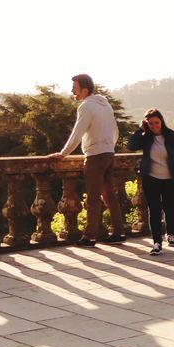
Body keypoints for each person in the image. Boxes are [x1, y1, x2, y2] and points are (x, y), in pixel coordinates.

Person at [49, 74, 124, 247]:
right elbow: (115, 131)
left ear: (85, 90)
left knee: (93, 198)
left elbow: (78, 132)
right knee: (109, 196)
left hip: (95, 156)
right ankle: (119, 232)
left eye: (75, 88)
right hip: (108, 154)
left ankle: (90, 237)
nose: (72, 92)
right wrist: (109, 147)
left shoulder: (86, 107)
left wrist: (63, 153)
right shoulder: (105, 105)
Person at [126, 109, 174, 255]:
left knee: (169, 208)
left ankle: (170, 234)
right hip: (151, 178)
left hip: (169, 179)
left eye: (156, 123)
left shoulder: (171, 136)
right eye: (151, 123)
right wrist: (140, 129)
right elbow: (131, 146)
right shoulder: (146, 137)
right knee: (154, 210)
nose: (154, 126)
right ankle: (157, 243)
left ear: (162, 121)